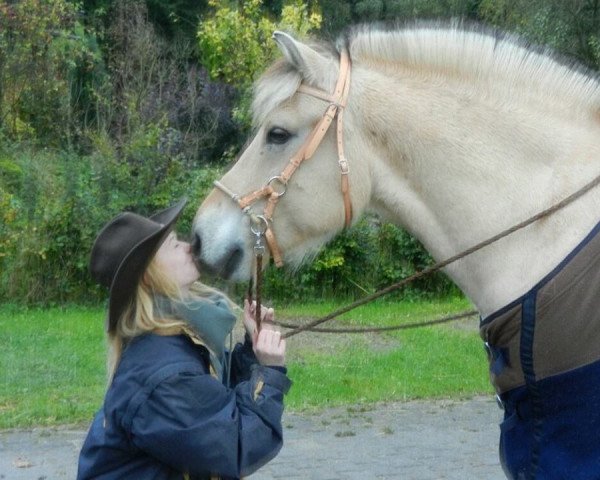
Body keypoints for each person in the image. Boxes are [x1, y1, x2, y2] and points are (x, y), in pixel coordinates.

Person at [77, 198, 291, 480]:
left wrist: (252, 348)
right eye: (172, 245)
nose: (188, 246)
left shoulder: (171, 341)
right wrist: (268, 373)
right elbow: (237, 446)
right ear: (149, 278)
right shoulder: (163, 376)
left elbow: (212, 401)